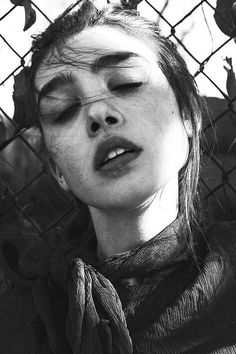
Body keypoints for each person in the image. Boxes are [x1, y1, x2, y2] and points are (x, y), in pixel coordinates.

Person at [0, 1, 236, 353]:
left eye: (127, 83)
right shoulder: (18, 324)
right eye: (64, 109)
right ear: (57, 171)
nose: (98, 112)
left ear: (188, 114)